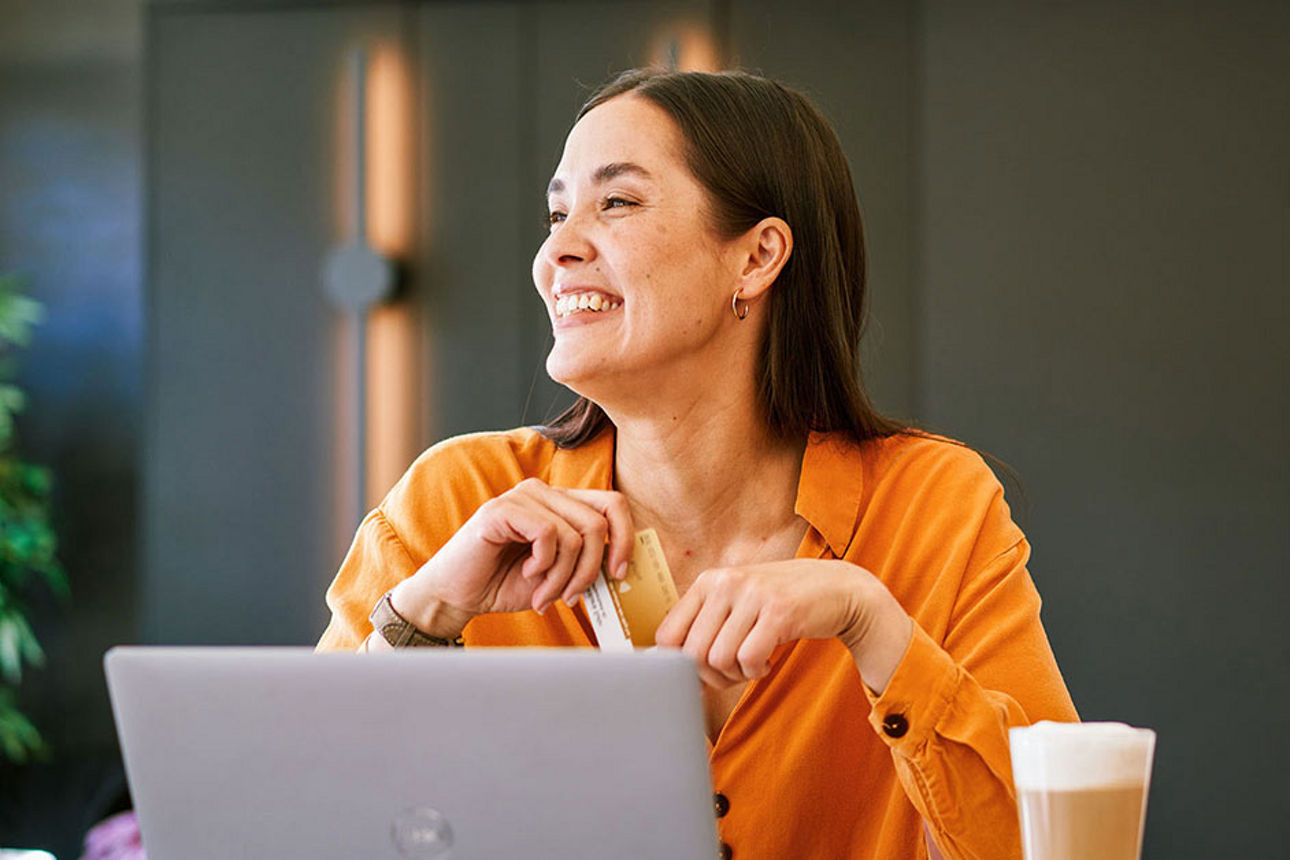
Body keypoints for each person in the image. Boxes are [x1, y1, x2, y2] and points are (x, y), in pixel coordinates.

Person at [318, 67, 1077, 859]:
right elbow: (293, 822)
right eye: (555, 213)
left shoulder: (934, 505)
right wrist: (423, 619)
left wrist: (874, 625)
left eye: (615, 202)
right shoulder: (457, 502)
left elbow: (1053, 845)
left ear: (757, 258)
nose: (556, 252)